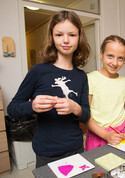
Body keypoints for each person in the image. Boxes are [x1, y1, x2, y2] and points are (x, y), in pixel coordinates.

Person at [7, 10, 90, 168]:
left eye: (72, 35)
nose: (65, 40)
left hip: (76, 149)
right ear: (52, 37)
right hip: (46, 153)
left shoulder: (81, 76)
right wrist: (32, 106)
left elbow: (86, 114)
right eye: (59, 35)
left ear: (80, 37)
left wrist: (75, 107)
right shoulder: (38, 71)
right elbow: (13, 108)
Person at [85, 35, 125, 151]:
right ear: (101, 54)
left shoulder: (124, 81)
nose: (115, 62)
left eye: (120, 58)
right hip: (98, 135)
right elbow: (85, 115)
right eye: (110, 56)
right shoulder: (90, 79)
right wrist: (105, 135)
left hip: (120, 136)